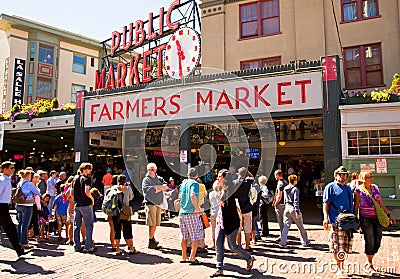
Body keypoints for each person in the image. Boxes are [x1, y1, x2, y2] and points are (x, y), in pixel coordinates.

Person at [210, 170, 254, 278]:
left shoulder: (229, 190)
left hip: (230, 223)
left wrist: (219, 200)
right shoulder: (221, 189)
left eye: (220, 177)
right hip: (221, 222)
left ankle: (249, 258)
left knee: (233, 246)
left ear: (225, 178)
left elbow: (229, 208)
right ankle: (219, 268)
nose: (217, 178)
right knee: (219, 246)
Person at [354, 171, 396, 274]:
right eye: (369, 177)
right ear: (363, 178)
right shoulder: (358, 190)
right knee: (369, 240)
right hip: (366, 219)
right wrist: (355, 219)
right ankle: (370, 263)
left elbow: (380, 202)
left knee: (378, 239)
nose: (371, 178)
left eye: (372, 176)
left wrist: (388, 215)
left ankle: (370, 256)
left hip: (377, 218)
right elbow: (356, 205)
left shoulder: (375, 187)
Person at [323, 166, 354, 277]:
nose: (343, 176)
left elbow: (352, 203)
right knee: (336, 245)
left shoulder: (348, 188)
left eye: (345, 174)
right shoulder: (330, 187)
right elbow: (326, 204)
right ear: (336, 175)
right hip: (335, 220)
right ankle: (339, 267)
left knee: (345, 245)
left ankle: (342, 266)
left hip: (347, 221)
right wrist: (325, 218)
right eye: (340, 174)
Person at [0, 161, 25, 256]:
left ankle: (19, 249)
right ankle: (19, 249)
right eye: (11, 168)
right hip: (1, 206)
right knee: (10, 228)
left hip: (4, 206)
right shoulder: (2, 180)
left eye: (13, 168)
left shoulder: (7, 179)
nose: (13, 170)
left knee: (10, 228)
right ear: (5, 169)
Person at [178, 168, 202, 264]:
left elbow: (179, 197)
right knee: (195, 236)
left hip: (182, 213)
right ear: (196, 176)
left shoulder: (183, 184)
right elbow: (193, 195)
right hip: (191, 212)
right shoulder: (195, 184)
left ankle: (184, 256)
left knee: (184, 236)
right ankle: (192, 257)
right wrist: (196, 208)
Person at [279, 174, 310, 248]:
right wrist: (297, 211)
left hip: (287, 208)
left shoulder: (285, 188)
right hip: (293, 208)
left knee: (286, 227)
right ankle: (305, 241)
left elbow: (285, 199)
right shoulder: (295, 189)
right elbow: (296, 201)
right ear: (295, 180)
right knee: (300, 226)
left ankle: (282, 242)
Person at [142, 162, 168, 249]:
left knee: (156, 223)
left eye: (152, 169)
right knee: (151, 223)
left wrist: (157, 188)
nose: (150, 171)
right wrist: (158, 188)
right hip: (150, 204)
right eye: (149, 169)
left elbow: (165, 186)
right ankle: (151, 240)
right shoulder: (146, 180)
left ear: (155, 170)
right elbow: (148, 190)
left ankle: (152, 238)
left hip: (158, 203)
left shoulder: (159, 178)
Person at [71, 163, 95, 253]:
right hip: (86, 204)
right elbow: (87, 191)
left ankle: (76, 245)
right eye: (89, 169)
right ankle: (88, 246)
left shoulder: (75, 179)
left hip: (77, 204)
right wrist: (92, 199)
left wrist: (75, 200)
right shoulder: (86, 179)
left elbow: (71, 192)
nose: (90, 171)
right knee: (89, 225)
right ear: (85, 169)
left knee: (77, 225)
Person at [111, 174, 138, 255]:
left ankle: (118, 249)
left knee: (117, 229)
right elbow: (131, 197)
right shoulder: (128, 188)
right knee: (127, 230)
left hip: (116, 211)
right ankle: (131, 249)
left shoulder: (114, 188)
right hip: (125, 210)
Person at [15, 169, 41, 249]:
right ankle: (24, 242)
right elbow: (37, 192)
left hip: (19, 204)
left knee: (20, 223)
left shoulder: (20, 183)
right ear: (28, 176)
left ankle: (18, 240)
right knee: (25, 224)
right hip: (27, 205)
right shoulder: (29, 184)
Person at [234, 167, 254, 253]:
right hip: (247, 207)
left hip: (237, 208)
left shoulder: (234, 183)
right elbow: (252, 177)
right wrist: (247, 173)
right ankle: (247, 246)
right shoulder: (248, 182)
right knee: (247, 228)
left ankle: (239, 245)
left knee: (238, 229)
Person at [272, 169, 287, 242]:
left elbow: (279, 195)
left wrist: (275, 203)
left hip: (280, 204)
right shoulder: (285, 182)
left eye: (275, 175)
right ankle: (284, 234)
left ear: (277, 175)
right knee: (285, 220)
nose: (275, 177)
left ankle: (283, 236)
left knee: (280, 221)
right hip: (285, 203)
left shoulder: (280, 183)